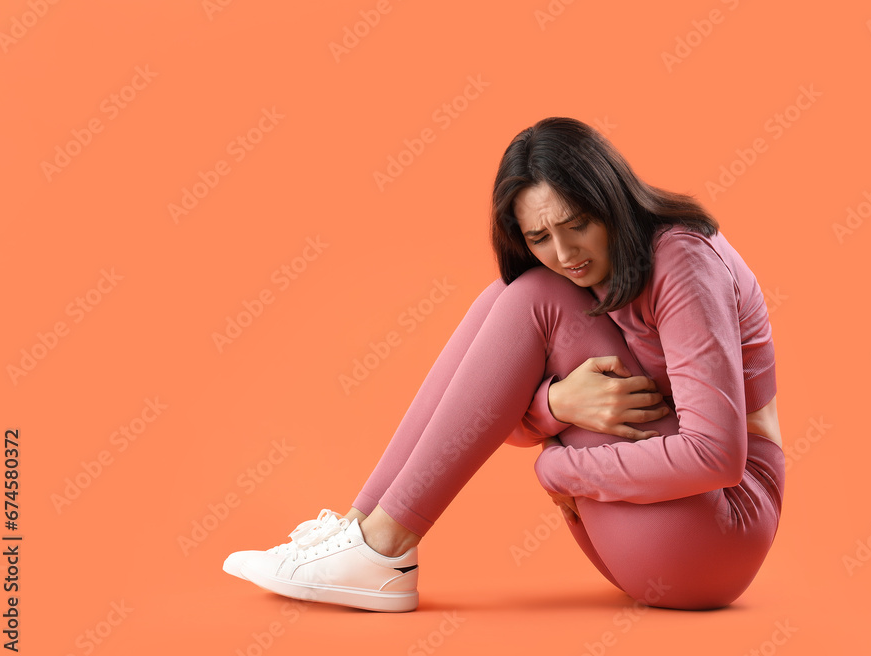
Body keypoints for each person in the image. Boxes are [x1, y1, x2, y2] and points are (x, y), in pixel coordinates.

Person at [223, 116, 785, 613]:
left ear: (611, 198)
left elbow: (716, 458)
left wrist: (558, 470)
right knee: (510, 293)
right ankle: (360, 529)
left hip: (718, 532)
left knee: (534, 295)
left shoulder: (680, 260)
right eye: (540, 236)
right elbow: (502, 417)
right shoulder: (584, 274)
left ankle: (382, 547)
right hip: (657, 531)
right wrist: (554, 403)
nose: (566, 254)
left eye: (579, 224)